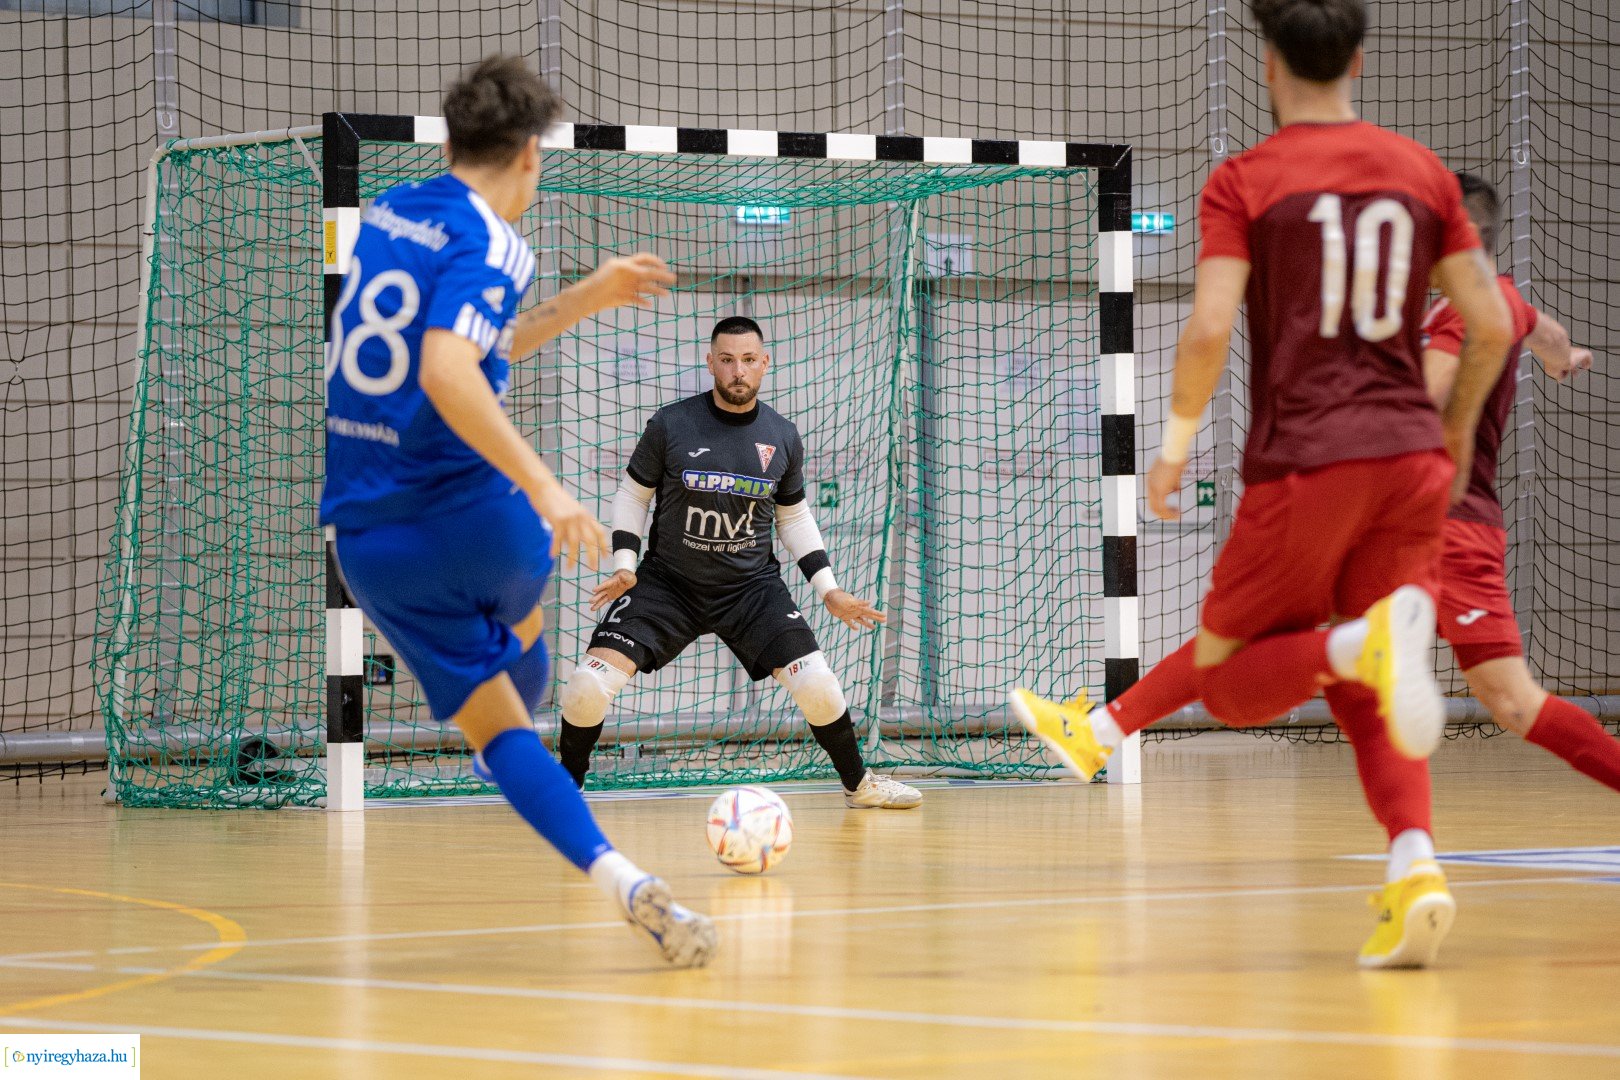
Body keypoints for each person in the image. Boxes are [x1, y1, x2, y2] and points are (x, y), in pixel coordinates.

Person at [1012, 0, 1514, 968]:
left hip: (1306, 464)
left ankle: (1332, 652)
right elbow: (1491, 324)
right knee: (1371, 689)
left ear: (1268, 64)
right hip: (1411, 463)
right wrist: (1448, 446)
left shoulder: (1247, 179)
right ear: (1359, 62)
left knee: (1232, 678)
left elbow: (1206, 329)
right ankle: (1414, 869)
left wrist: (1172, 447)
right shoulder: (1422, 174)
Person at [320, 54, 715, 967]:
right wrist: (545, 487)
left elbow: (478, 344)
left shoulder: (386, 214)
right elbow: (450, 370)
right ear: (530, 156)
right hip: (481, 524)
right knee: (527, 675)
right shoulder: (496, 241)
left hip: (373, 545)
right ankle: (511, 699)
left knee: (503, 731)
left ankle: (625, 881)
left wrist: (586, 297)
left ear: (452, 136)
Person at [554, 316, 922, 809]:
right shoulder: (671, 423)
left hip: (751, 589)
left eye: (748, 360)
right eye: (726, 360)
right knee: (586, 685)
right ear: (711, 363)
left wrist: (829, 589)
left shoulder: (782, 436)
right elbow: (632, 494)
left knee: (817, 684)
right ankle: (563, 788)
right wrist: (626, 562)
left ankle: (860, 784)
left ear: (764, 364)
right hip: (668, 583)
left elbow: (793, 519)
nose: (737, 371)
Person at [1421, 173, 1613, 788]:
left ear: (1461, 235)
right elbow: (1548, 333)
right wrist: (1567, 357)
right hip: (1410, 522)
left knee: (1510, 703)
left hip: (1450, 527)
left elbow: (1421, 405)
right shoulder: (1504, 300)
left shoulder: (1465, 312)